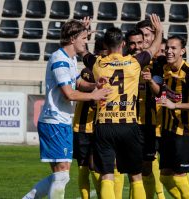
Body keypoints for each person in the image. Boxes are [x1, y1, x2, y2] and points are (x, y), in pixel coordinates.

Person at [22, 19, 111, 199]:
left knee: (62, 176)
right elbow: (69, 94)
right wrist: (94, 96)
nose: (86, 42)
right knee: (62, 175)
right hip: (54, 121)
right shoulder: (59, 59)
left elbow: (78, 82)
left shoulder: (70, 59)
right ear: (72, 39)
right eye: (84, 38)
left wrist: (95, 84)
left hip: (61, 121)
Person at [83, 14, 163, 199]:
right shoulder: (134, 62)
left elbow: (82, 51)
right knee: (136, 176)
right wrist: (159, 32)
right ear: (123, 44)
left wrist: (85, 32)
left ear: (105, 45)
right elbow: (153, 49)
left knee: (107, 175)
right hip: (128, 124)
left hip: (104, 124)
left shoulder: (97, 63)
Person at [142, 35, 189, 199]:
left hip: (186, 133)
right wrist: (150, 82)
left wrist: (175, 105)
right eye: (168, 48)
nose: (169, 51)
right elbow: (162, 94)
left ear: (182, 51)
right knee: (164, 176)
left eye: (173, 48)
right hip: (168, 130)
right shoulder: (165, 69)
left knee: (178, 176)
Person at [72, 38, 109, 199]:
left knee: (96, 166)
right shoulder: (87, 71)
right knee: (83, 168)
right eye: (106, 54)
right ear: (100, 53)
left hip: (99, 127)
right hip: (82, 126)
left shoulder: (111, 72)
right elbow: (93, 99)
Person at [135, 20, 167, 199]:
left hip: (163, 123)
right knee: (142, 167)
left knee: (171, 170)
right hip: (139, 123)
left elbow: (162, 93)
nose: (144, 40)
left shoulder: (163, 63)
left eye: (147, 36)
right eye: (142, 36)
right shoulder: (132, 61)